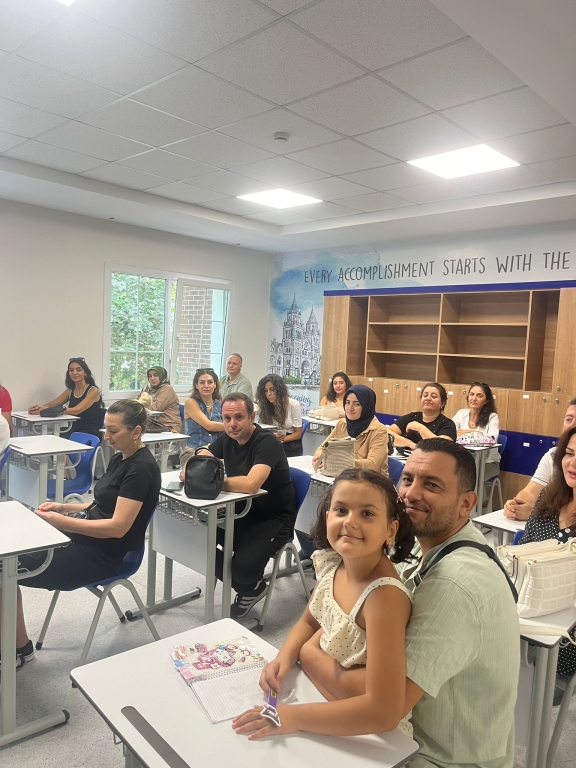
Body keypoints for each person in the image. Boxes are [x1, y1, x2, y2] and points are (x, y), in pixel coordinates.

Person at [285, 439, 519, 767]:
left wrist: (308, 652)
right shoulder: (422, 545)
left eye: (432, 485)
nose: (410, 493)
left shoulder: (455, 583)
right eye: (407, 479)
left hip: (435, 756)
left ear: (466, 504)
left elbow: (383, 703)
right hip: (398, 738)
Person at [232, 468, 415, 740]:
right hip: (322, 699)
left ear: (391, 530)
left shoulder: (383, 598)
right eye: (341, 510)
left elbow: (384, 713)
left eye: (367, 513)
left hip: (366, 732)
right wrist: (284, 657)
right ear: (328, 517)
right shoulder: (333, 564)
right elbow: (309, 621)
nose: (350, 522)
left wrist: (292, 716)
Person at [0, 400, 161, 666]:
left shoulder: (141, 468)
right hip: (86, 540)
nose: (106, 437)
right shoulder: (122, 456)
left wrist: (63, 522)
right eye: (106, 429)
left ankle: (17, 649)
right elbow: (103, 504)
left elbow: (117, 527)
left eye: (114, 431)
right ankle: (18, 645)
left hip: (105, 554)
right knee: (8, 560)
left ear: (136, 431)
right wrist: (64, 507)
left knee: (6, 568)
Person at [195, 392, 296, 619]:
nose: (232, 424)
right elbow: (205, 452)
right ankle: (245, 584)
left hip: (274, 518)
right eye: (227, 418)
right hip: (242, 510)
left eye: (239, 417)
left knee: (242, 568)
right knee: (198, 540)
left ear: (252, 417)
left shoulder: (266, 442)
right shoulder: (228, 438)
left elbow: (251, 485)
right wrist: (198, 459)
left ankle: (252, 588)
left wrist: (212, 480)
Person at [518, 425, 576, 684]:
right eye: (569, 453)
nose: (573, 463)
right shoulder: (549, 496)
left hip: (566, 632)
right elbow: (524, 549)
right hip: (531, 607)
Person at [504, 398, 576, 521]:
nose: (572, 425)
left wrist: (536, 512)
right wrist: (516, 506)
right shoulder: (552, 455)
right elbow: (530, 492)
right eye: (569, 419)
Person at [312, 384, 389, 476]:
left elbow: (372, 465)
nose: (350, 408)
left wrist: (342, 462)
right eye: (347, 402)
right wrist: (319, 457)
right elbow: (323, 447)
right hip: (344, 476)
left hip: (371, 480)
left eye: (357, 404)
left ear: (366, 406)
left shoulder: (379, 430)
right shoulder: (342, 423)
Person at [28, 358, 102, 439]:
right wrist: (38, 409)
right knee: (52, 438)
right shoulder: (70, 390)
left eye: (79, 370)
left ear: (85, 373)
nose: (74, 373)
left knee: (57, 440)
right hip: (73, 429)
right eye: (71, 370)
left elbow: (75, 411)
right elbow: (51, 404)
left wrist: (47, 410)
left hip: (89, 432)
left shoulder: (93, 391)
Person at [452, 381, 500, 481]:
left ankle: (478, 492)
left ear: (486, 401)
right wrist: (475, 434)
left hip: (488, 463)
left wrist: (461, 433)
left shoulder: (492, 417)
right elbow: (450, 433)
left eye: (479, 396)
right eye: (471, 394)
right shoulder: (461, 414)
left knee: (468, 480)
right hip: (464, 462)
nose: (474, 398)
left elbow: (491, 439)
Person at [388, 383, 457, 448]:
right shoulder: (411, 417)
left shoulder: (447, 424)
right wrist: (409, 443)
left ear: (443, 403)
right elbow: (388, 432)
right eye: (425, 395)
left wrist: (419, 428)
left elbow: (443, 446)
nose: (428, 398)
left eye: (433, 396)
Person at [255, 374, 303, 458]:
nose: (269, 394)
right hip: (270, 438)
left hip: (288, 442)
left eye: (272, 390)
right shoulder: (263, 405)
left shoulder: (293, 404)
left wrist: (279, 440)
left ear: (279, 390)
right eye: (266, 390)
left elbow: (297, 434)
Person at [184, 368, 224, 450]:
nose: (206, 386)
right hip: (195, 449)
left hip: (216, 450)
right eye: (202, 382)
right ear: (196, 385)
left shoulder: (220, 404)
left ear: (215, 385)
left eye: (210, 382)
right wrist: (233, 427)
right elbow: (209, 426)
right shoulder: (190, 402)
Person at [139, 366, 181, 433]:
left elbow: (156, 408)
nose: (152, 378)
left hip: (168, 424)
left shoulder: (167, 389)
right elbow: (137, 402)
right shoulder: (147, 387)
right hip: (153, 422)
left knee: (138, 429)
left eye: (155, 375)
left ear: (162, 377)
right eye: (150, 376)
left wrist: (141, 405)